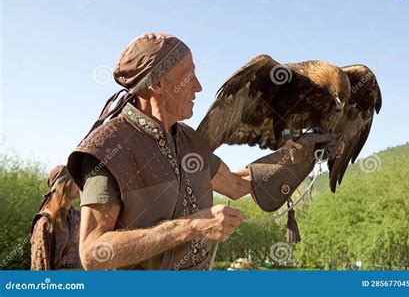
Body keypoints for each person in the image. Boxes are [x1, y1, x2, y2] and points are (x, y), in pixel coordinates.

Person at [67, 32, 337, 270]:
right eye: (188, 76)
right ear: (157, 84)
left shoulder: (190, 142)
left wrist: (299, 152)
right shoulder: (108, 150)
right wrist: (192, 226)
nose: (198, 86)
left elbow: (237, 185)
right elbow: (93, 253)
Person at [30, 165, 82, 270]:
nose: (81, 184)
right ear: (64, 184)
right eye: (76, 180)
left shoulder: (79, 216)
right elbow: (39, 266)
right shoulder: (45, 222)